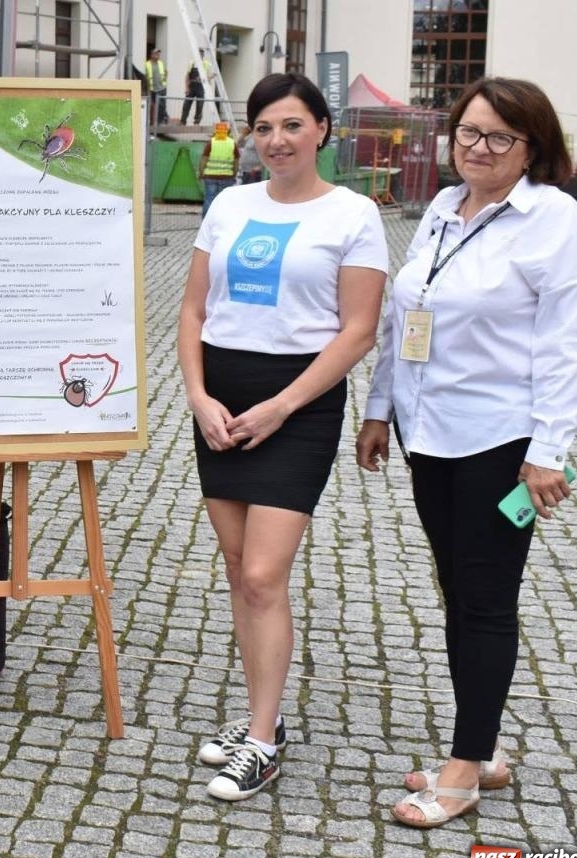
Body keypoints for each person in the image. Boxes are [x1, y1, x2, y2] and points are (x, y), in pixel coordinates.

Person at [356, 77, 577, 829]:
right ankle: (483, 746)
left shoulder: (554, 220)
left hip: (503, 442)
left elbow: (568, 343)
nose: (479, 148)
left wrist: (548, 449)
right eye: (468, 133)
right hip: (429, 433)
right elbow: (408, 312)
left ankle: (464, 771)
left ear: (533, 146)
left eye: (499, 137)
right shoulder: (442, 207)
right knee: (459, 592)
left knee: (486, 600)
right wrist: (378, 407)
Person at [176, 72, 388, 801]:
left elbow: (359, 330)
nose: (277, 141)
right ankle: (259, 712)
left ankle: (263, 742)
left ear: (322, 130)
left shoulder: (354, 215)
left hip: (298, 404)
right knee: (240, 573)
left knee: (264, 575)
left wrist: (282, 407)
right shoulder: (230, 205)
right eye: (264, 128)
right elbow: (193, 309)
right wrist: (199, 396)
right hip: (221, 403)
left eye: (293, 125)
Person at [200, 121, 240, 216]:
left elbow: (204, 160)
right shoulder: (232, 143)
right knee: (224, 201)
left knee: (209, 199)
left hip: (210, 177)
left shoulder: (211, 142)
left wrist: (201, 173)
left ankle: (206, 222)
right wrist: (234, 174)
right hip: (227, 177)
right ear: (228, 132)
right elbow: (236, 162)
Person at [145, 48, 169, 127]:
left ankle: (160, 122)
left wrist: (165, 78)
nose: (158, 55)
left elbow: (164, 73)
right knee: (153, 106)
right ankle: (153, 122)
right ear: (152, 55)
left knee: (162, 105)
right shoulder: (147, 64)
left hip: (162, 88)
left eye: (158, 54)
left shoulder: (161, 63)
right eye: (156, 54)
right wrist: (148, 89)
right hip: (153, 89)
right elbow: (146, 77)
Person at [182, 53, 207, 126]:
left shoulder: (206, 64)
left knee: (200, 105)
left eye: (201, 54)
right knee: (186, 104)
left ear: (203, 55)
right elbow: (187, 76)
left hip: (201, 87)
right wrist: (186, 88)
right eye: (199, 54)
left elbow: (212, 75)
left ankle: (196, 122)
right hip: (192, 86)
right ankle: (183, 121)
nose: (200, 56)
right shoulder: (192, 63)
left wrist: (203, 78)